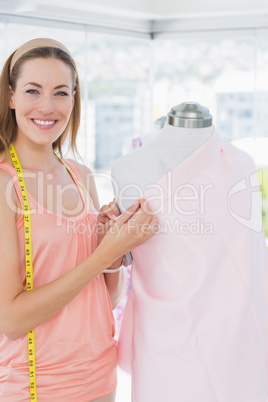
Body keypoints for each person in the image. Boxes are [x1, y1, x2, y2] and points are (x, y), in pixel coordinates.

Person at [0, 38, 158, 402]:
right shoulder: (6, 184)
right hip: (35, 386)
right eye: (32, 91)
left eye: (60, 93)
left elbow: (104, 296)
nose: (47, 106)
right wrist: (102, 256)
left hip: (100, 376)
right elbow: (11, 320)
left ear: (74, 98)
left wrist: (113, 252)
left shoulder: (81, 175)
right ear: (10, 97)